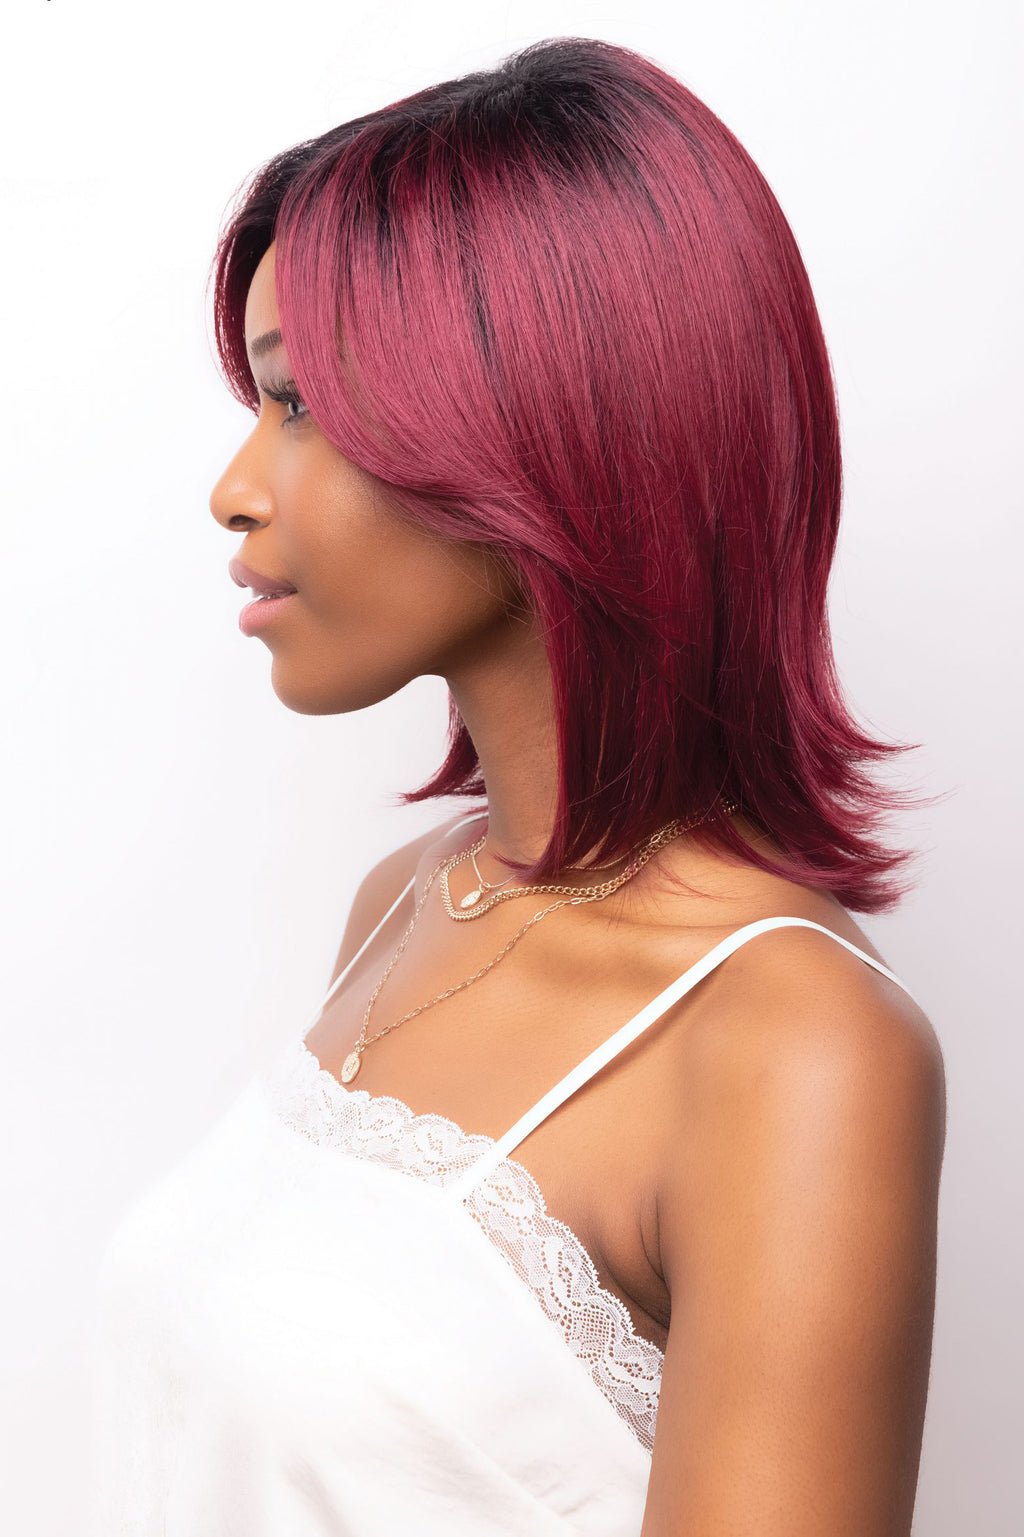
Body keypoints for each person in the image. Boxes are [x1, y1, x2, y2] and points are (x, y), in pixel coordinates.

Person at [90, 35, 947, 1537]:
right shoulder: (410, 902)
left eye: (299, 404)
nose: (235, 486)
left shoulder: (793, 1046)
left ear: (538, 425)